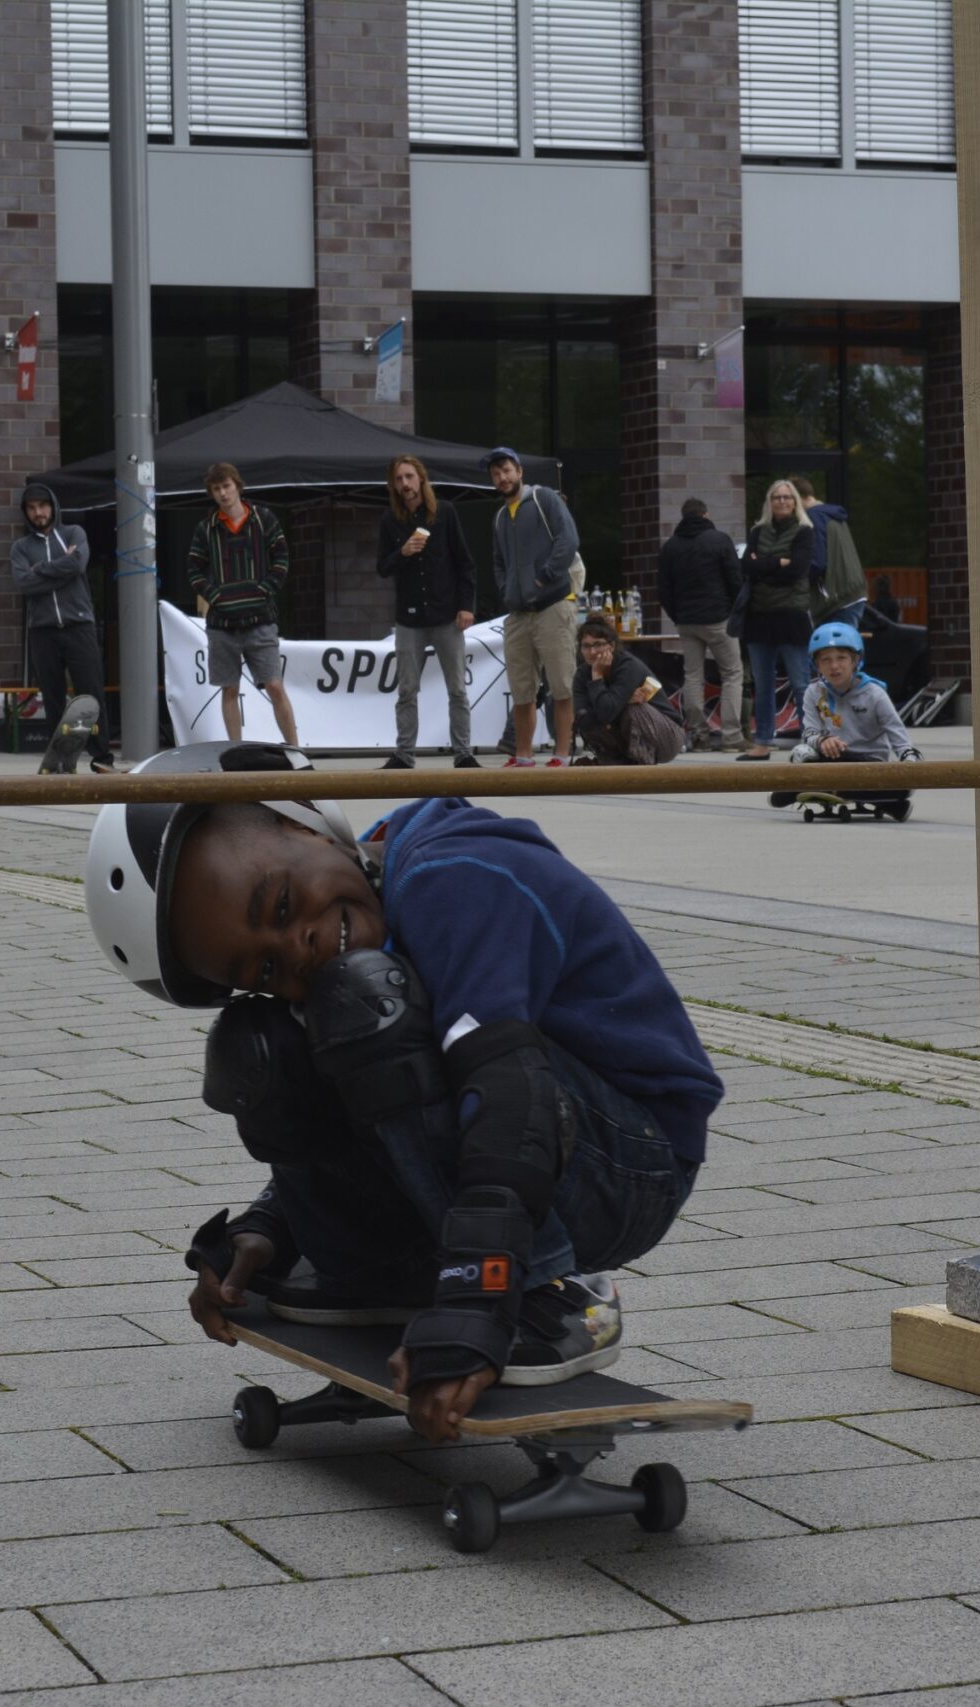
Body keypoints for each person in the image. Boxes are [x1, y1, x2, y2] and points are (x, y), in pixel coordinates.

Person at [82, 743, 723, 1442]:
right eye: (263, 968)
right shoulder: (355, 909)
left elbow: (504, 1094)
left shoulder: (457, 873)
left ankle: (550, 1295)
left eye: (283, 904)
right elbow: (372, 1109)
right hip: (516, 1152)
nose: (296, 947)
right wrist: (274, 1225)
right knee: (264, 1045)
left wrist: (480, 1296)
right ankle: (379, 1275)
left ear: (303, 822)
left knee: (365, 1003)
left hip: (629, 1164)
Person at [187, 463, 301, 747]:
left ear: (238, 486)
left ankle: (295, 749)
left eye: (226, 486)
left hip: (260, 619)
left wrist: (265, 590)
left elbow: (282, 558)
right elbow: (193, 569)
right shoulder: (206, 528)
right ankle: (236, 751)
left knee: (274, 685)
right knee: (229, 689)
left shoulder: (263, 519)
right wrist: (215, 596)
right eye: (216, 489)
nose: (223, 493)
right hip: (222, 624)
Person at [375, 455, 478, 770]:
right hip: (409, 619)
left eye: (409, 476)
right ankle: (404, 754)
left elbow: (464, 563)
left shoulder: (444, 512)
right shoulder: (390, 520)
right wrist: (402, 552)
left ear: (421, 478)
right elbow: (382, 567)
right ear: (393, 485)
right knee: (407, 689)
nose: (405, 484)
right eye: (399, 479)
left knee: (457, 688)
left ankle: (463, 753)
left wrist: (466, 606)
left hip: (446, 613)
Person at [484, 448, 582, 768]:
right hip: (517, 613)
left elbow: (568, 540)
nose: (502, 477)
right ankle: (523, 755)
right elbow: (498, 562)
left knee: (562, 685)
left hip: (553, 605)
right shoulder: (500, 517)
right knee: (521, 690)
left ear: (520, 472)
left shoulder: (544, 498)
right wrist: (506, 590)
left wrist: (545, 577)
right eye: (496, 474)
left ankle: (562, 755)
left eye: (506, 470)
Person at [9, 478, 111, 773]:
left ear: (53, 507)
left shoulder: (73, 532)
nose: (38, 513)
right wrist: (60, 569)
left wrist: (40, 569)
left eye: (43, 506)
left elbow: (78, 564)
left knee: (91, 692)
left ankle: (102, 757)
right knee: (52, 697)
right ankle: (60, 759)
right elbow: (24, 583)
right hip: (42, 629)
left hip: (79, 624)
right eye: (31, 508)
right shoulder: (21, 547)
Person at [769, 620, 916, 806]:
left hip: (868, 765)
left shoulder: (875, 694)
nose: (834, 666)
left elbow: (900, 740)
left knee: (904, 784)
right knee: (801, 752)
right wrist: (822, 741)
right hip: (833, 761)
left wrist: (910, 765)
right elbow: (808, 733)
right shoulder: (814, 692)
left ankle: (821, 789)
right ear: (816, 665)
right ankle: (881, 801)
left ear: (855, 661)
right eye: (826, 660)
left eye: (841, 658)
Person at [655, 498, 745, 751]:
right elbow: (735, 580)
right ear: (706, 514)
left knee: (693, 676)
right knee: (732, 674)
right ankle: (731, 736)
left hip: (686, 621)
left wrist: (677, 616)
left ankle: (698, 735)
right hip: (719, 619)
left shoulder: (670, 547)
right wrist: (734, 612)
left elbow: (663, 589)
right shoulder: (719, 540)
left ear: (683, 516)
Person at [739, 480, 816, 760]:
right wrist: (777, 562)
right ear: (769, 502)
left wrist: (764, 566)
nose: (782, 501)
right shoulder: (757, 531)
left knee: (801, 683)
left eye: (787, 497)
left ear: (795, 501)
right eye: (777, 497)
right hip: (759, 616)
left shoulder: (805, 531)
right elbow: (746, 566)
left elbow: (797, 570)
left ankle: (811, 739)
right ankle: (762, 742)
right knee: (762, 685)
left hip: (792, 616)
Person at [570, 617, 686, 767]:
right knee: (591, 720)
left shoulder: (628, 666)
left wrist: (597, 676)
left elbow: (607, 712)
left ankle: (642, 766)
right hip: (621, 735)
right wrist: (622, 703)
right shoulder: (582, 674)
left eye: (598, 644)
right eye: (586, 646)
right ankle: (615, 762)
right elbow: (583, 720)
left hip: (667, 735)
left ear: (611, 646)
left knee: (634, 709)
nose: (592, 652)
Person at [791, 476, 869, 630]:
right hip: (851, 593)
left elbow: (817, 562)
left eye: (790, 500)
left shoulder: (813, 517)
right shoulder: (832, 515)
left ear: (798, 498)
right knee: (846, 642)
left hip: (836, 599)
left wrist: (792, 575)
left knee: (834, 644)